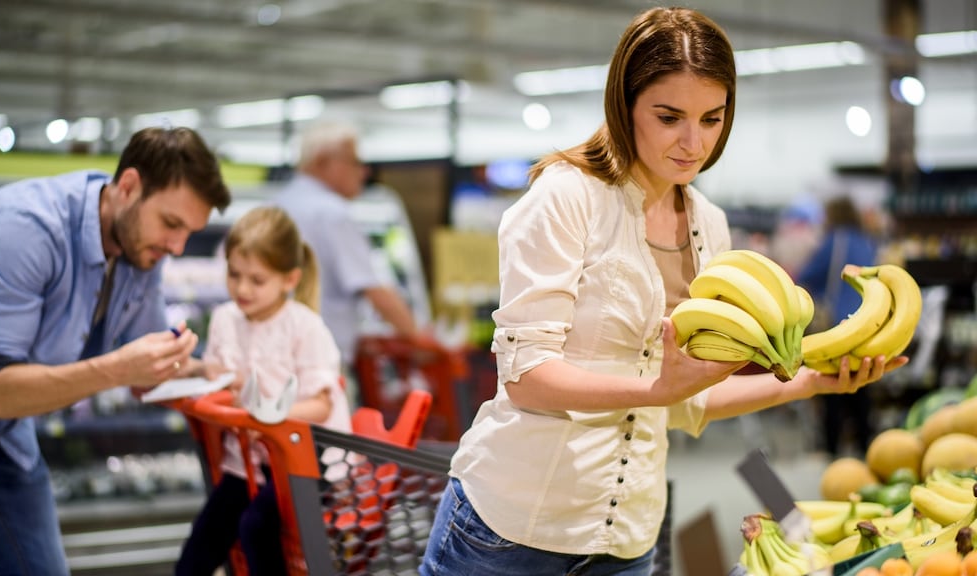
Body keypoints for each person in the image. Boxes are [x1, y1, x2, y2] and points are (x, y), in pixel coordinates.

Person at [419, 7, 907, 576]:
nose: (693, 142)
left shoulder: (709, 227)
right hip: (509, 532)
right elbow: (527, 378)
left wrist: (811, 382)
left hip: (629, 539)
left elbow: (686, 401)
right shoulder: (566, 197)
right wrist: (654, 389)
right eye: (669, 117)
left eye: (712, 118)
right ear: (624, 103)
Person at [0, 126, 231, 574]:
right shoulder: (28, 229)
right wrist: (118, 369)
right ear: (129, 187)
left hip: (1, 434)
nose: (177, 247)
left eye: (189, 232)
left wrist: (213, 371)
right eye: (171, 224)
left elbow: (145, 371)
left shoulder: (140, 248)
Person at [174, 206, 351, 576]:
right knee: (203, 542)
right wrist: (193, 369)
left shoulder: (305, 326)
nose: (242, 289)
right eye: (234, 274)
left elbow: (321, 404)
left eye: (256, 280)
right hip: (246, 460)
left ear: (289, 279)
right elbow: (220, 376)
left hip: (306, 462)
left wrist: (266, 417)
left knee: (256, 527)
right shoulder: (225, 319)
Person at [272, 120, 420, 391]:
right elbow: (374, 290)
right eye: (354, 161)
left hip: (274, 356)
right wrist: (419, 338)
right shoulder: (332, 213)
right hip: (318, 364)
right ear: (323, 162)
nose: (364, 171)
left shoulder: (278, 203)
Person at [797, 195, 880, 457]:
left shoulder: (835, 241)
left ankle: (832, 449)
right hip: (868, 323)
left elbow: (806, 276)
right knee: (861, 388)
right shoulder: (866, 241)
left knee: (832, 387)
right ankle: (864, 447)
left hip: (837, 324)